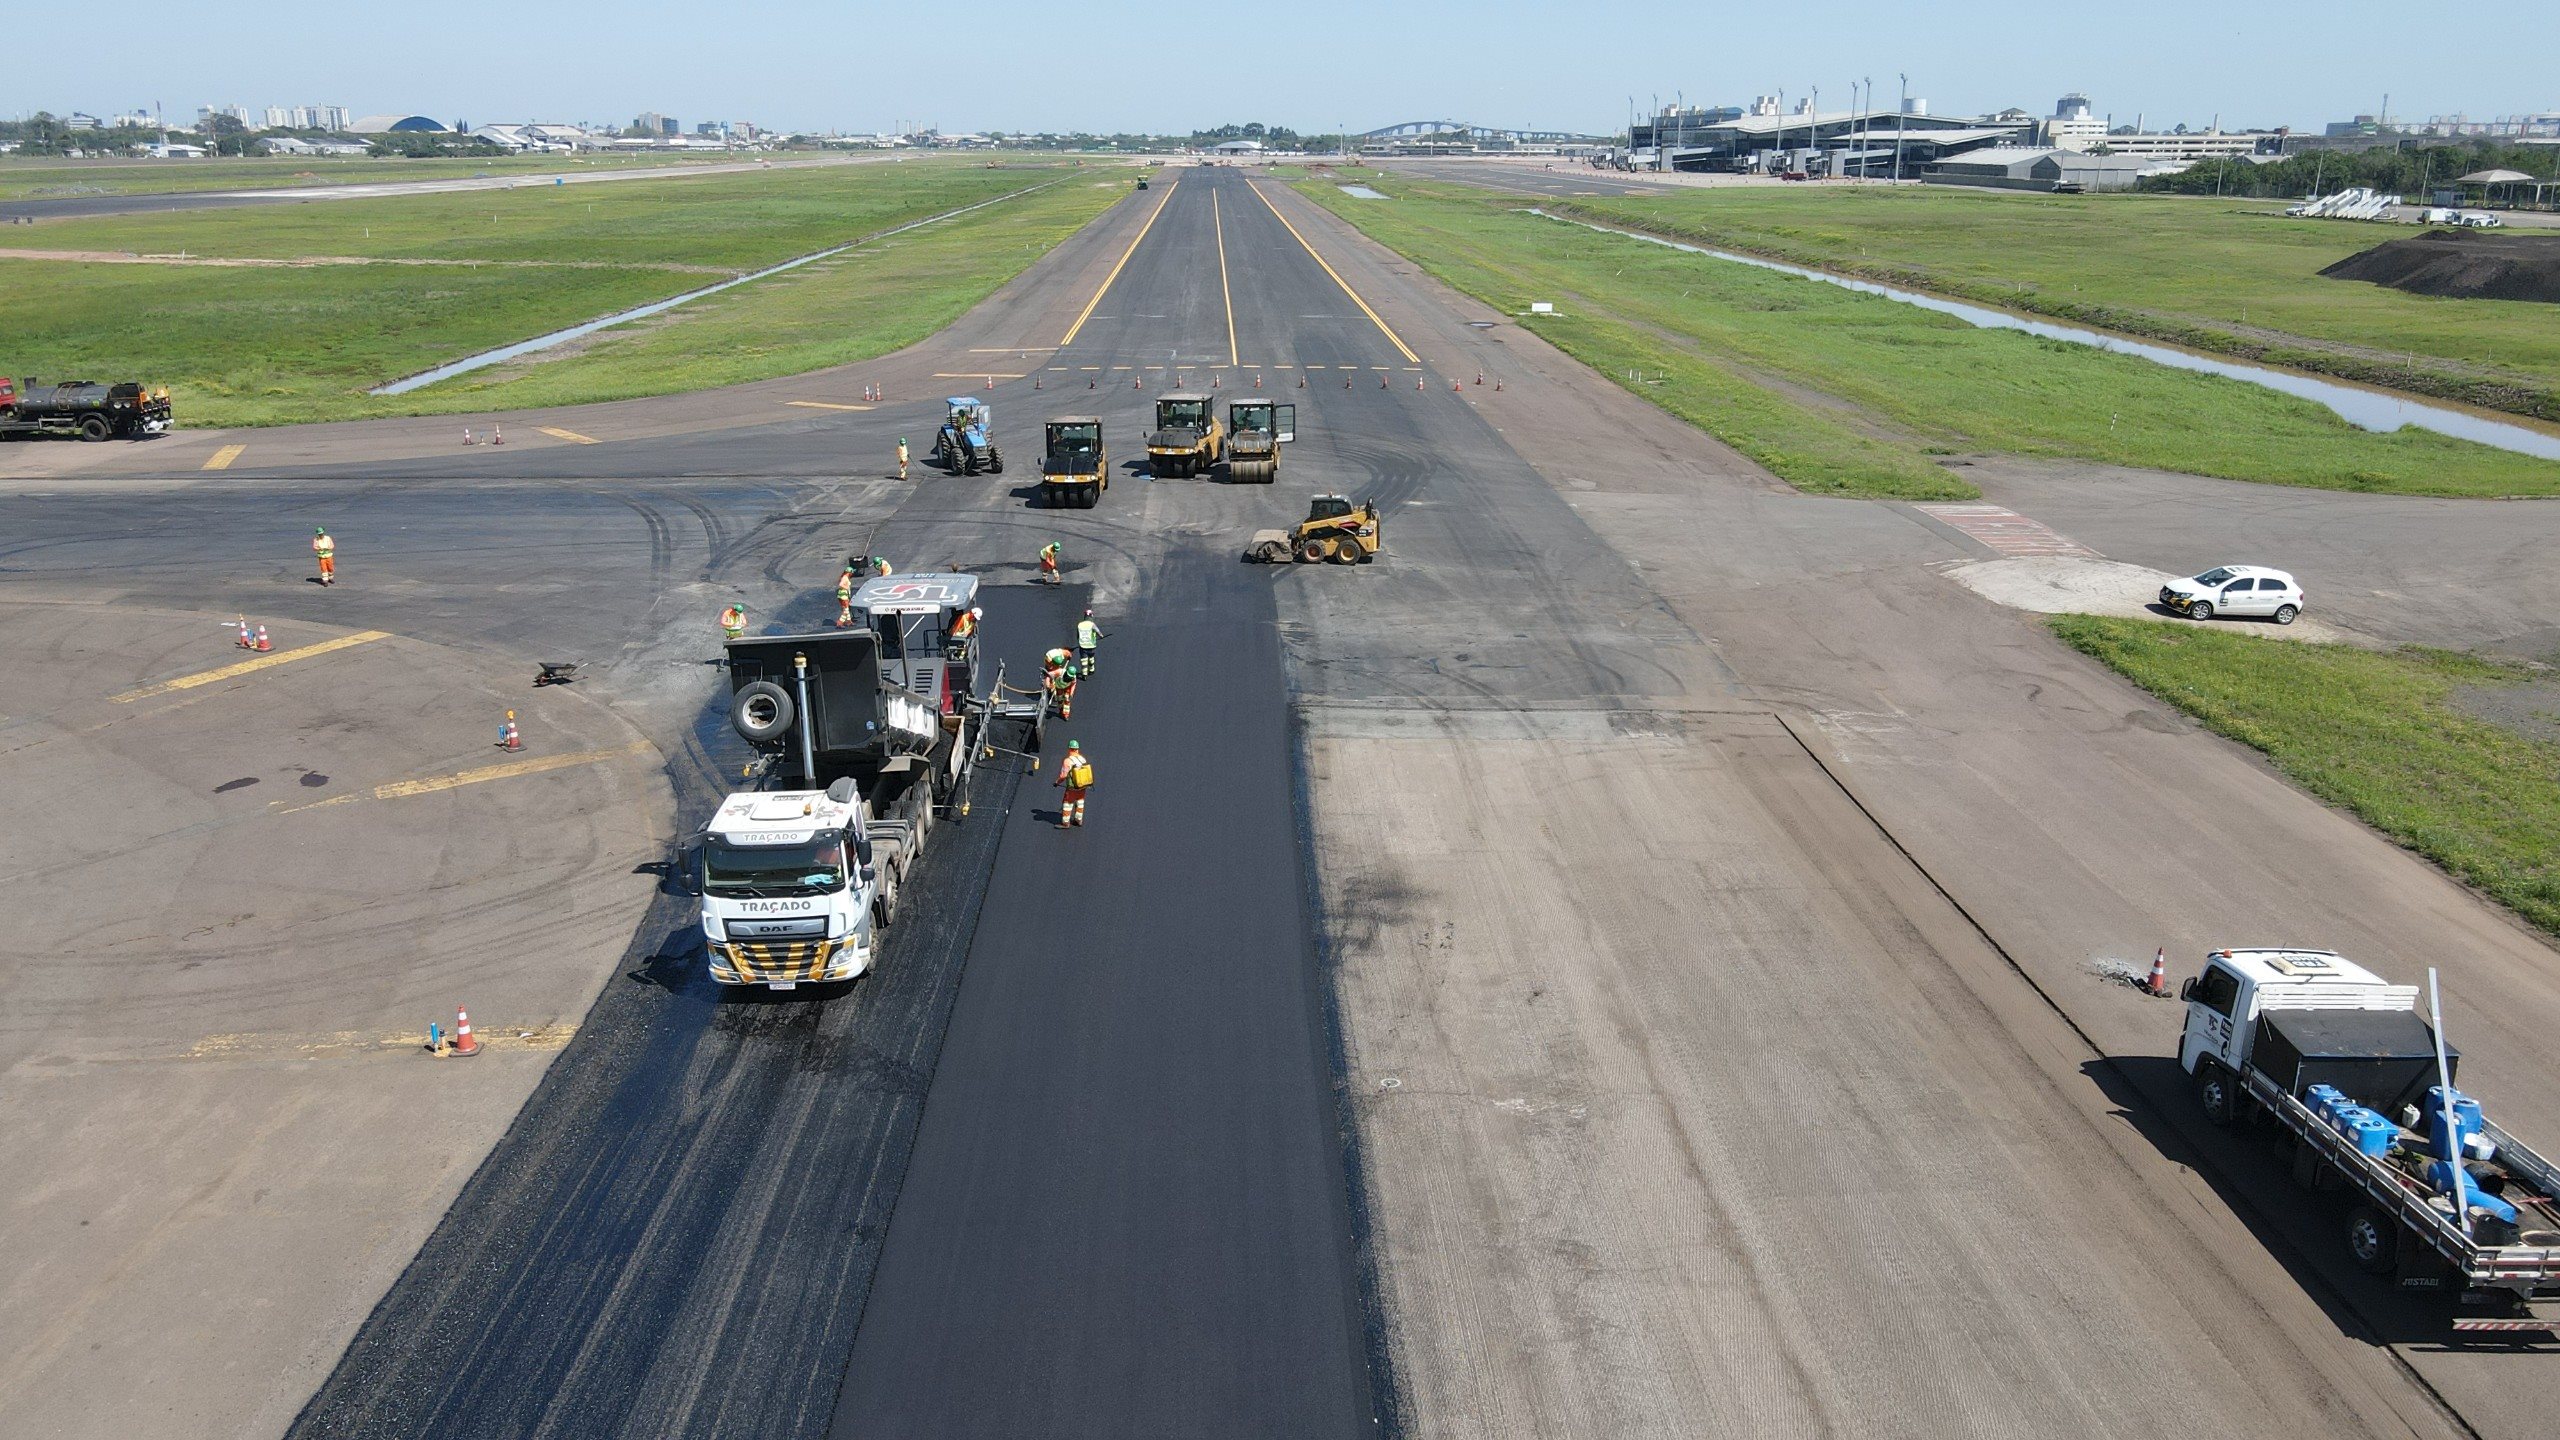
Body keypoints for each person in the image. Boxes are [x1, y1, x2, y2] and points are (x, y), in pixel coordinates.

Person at [1053, 740, 1092, 828]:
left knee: (1067, 803)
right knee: (1080, 802)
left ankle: (1065, 823)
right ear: (1077, 749)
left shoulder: (1067, 761)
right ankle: (1078, 820)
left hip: (1072, 788)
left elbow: (1063, 776)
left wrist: (1057, 782)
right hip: (1083, 785)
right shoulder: (1083, 759)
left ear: (1070, 749)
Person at [1076, 609, 1103, 677]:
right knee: (1091, 658)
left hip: (1082, 646)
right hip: (1091, 646)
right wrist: (1101, 636)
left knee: (1084, 660)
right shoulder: (1092, 624)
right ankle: (1091, 670)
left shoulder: (1080, 625)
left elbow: (1078, 636)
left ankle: (1084, 674)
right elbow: (1098, 632)